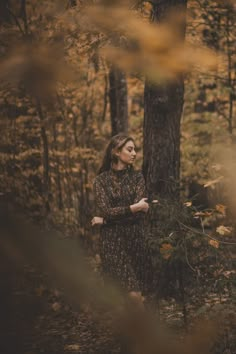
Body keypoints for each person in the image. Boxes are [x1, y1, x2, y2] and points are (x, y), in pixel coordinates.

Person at [91, 134, 150, 304]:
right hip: (112, 243)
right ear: (116, 152)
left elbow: (139, 214)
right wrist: (133, 207)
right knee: (133, 294)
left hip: (135, 240)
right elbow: (107, 210)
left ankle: (132, 330)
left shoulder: (137, 177)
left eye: (135, 150)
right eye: (129, 149)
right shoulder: (101, 181)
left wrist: (106, 221)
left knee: (135, 296)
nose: (134, 154)